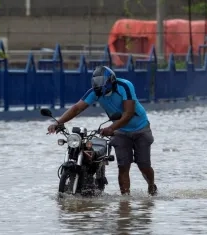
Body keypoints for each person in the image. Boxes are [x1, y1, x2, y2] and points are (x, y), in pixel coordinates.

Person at [47, 66, 158, 196]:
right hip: (120, 131)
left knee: (143, 166)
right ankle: (125, 201)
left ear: (111, 81)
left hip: (140, 128)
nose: (101, 90)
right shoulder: (95, 92)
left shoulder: (125, 86)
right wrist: (58, 122)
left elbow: (128, 113)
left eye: (103, 86)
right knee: (123, 167)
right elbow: (77, 108)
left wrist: (111, 128)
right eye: (98, 87)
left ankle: (151, 185)